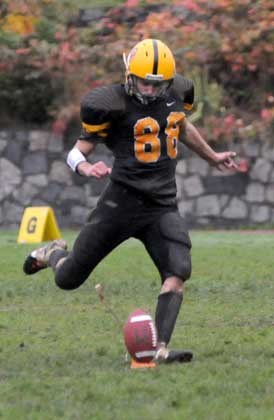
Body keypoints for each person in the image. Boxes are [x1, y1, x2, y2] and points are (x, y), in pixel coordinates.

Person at [23, 39, 239, 364]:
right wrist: (84, 165)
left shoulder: (179, 93)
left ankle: (160, 348)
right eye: (144, 83)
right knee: (68, 279)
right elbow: (77, 150)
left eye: (158, 84)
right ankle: (53, 252)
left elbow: (179, 122)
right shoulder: (109, 103)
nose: (151, 91)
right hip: (120, 204)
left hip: (161, 205)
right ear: (129, 74)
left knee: (178, 270)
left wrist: (211, 156)